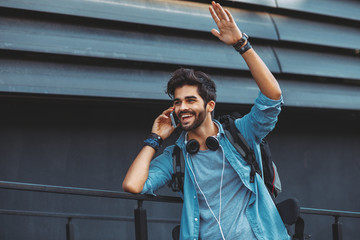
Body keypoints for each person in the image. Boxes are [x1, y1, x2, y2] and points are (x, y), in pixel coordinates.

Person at [122, 1, 290, 239]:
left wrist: (242, 45)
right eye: (178, 102)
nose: (182, 107)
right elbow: (133, 185)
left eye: (190, 100)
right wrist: (155, 138)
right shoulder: (176, 157)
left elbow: (272, 97)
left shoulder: (241, 133)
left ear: (210, 105)